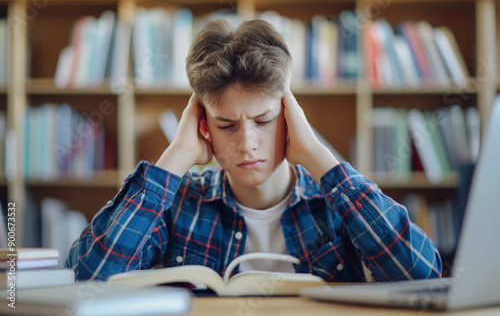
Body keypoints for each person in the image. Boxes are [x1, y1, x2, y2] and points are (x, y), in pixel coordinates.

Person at [67, 19, 442, 282]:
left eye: (264, 120)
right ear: (203, 126)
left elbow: (422, 275)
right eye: (226, 125)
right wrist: (178, 153)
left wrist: (314, 151)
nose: (247, 143)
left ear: (289, 114)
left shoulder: (336, 204)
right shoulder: (179, 205)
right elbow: (89, 277)